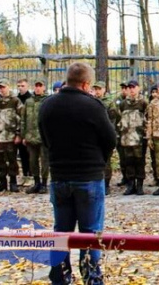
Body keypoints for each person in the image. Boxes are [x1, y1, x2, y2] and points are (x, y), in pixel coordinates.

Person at [38, 62, 117, 285]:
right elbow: (110, 139)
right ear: (85, 84)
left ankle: (60, 279)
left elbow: (44, 138)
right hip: (89, 177)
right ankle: (91, 278)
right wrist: (98, 161)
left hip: (60, 176)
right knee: (90, 233)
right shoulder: (93, 106)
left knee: (60, 232)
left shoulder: (47, 105)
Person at [0, 78, 24, 193]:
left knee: (12, 159)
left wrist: (18, 134)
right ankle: (2, 182)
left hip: (10, 136)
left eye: (3, 87)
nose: (2, 89)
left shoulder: (15, 101)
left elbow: (21, 118)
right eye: (0, 87)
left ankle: (13, 182)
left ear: (8, 87)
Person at [118, 80, 148, 196]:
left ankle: (140, 185)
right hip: (126, 138)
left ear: (138, 88)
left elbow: (148, 119)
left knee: (139, 162)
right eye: (129, 87)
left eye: (133, 87)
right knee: (128, 161)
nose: (131, 89)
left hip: (139, 138)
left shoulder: (143, 103)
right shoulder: (123, 104)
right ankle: (131, 184)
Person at [21, 78, 50, 194]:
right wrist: (23, 135)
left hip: (43, 137)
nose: (38, 88)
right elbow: (23, 119)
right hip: (30, 136)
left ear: (44, 87)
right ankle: (36, 182)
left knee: (44, 161)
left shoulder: (48, 101)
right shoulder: (28, 101)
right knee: (32, 161)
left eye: (40, 86)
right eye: (36, 86)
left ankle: (44, 183)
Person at [92, 81, 120, 195]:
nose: (97, 91)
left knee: (106, 160)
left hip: (105, 134)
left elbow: (113, 119)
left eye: (99, 89)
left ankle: (106, 183)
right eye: (96, 89)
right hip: (95, 135)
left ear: (104, 90)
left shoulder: (110, 103)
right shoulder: (92, 101)